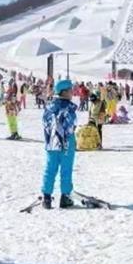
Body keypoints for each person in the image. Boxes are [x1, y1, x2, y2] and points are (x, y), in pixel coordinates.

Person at [41, 79, 78, 210]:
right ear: (64, 92)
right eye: (70, 90)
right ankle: (65, 197)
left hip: (51, 143)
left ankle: (46, 197)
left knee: (50, 169)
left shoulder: (49, 107)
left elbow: (45, 124)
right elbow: (71, 126)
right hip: (66, 143)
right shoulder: (69, 108)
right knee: (66, 170)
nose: (72, 92)